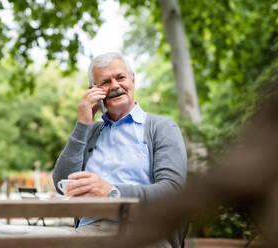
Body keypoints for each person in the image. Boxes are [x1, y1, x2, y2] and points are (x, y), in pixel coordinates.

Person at [53, 52, 187, 247]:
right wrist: (83, 124)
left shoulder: (161, 127)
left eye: (121, 77)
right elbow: (61, 183)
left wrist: (112, 192)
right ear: (94, 91)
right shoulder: (91, 132)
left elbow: (172, 190)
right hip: (88, 233)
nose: (115, 86)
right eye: (105, 82)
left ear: (132, 80)